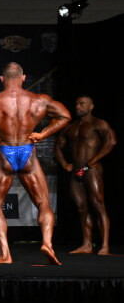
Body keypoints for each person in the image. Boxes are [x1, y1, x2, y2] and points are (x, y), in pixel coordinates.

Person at [0, 62, 70, 264]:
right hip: (28, 152)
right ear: (23, 78)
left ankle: (5, 254)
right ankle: (47, 243)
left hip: (5, 152)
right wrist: (42, 134)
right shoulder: (39, 100)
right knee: (43, 203)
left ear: (2, 79)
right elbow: (65, 116)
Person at [54, 96, 116, 255]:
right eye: (76, 104)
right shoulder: (70, 127)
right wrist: (64, 164)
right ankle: (87, 244)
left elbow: (111, 141)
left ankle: (104, 245)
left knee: (98, 205)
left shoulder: (98, 124)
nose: (78, 107)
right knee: (81, 207)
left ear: (91, 106)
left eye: (82, 104)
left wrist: (95, 159)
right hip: (76, 170)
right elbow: (58, 147)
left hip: (91, 169)